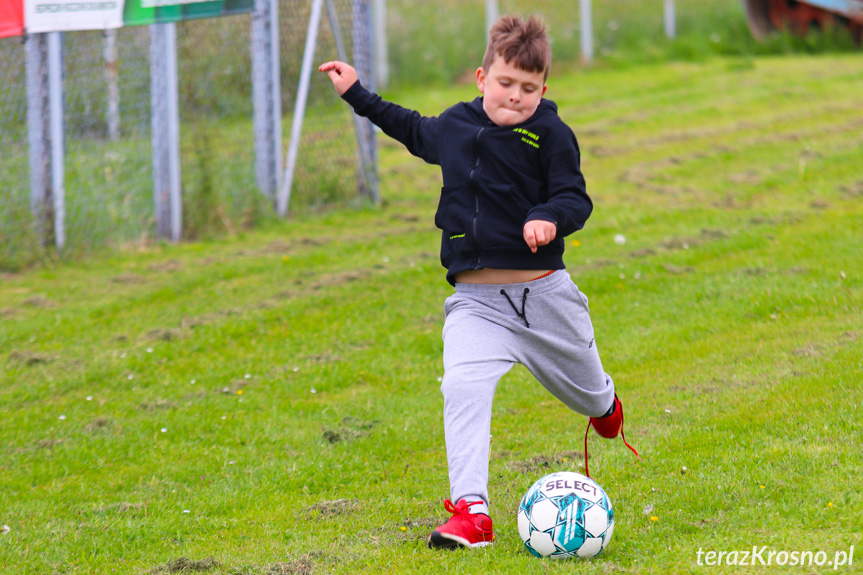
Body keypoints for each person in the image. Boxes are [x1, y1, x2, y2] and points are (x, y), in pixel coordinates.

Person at [320, 14, 638, 550]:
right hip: (476, 304)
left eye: (528, 89)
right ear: (481, 77)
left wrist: (549, 218)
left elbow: (574, 196)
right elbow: (410, 127)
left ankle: (604, 406)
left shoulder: (552, 135)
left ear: (544, 88)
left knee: (589, 395)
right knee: (461, 386)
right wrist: (357, 93)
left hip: (545, 300)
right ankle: (471, 513)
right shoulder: (456, 126)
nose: (515, 97)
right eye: (505, 83)